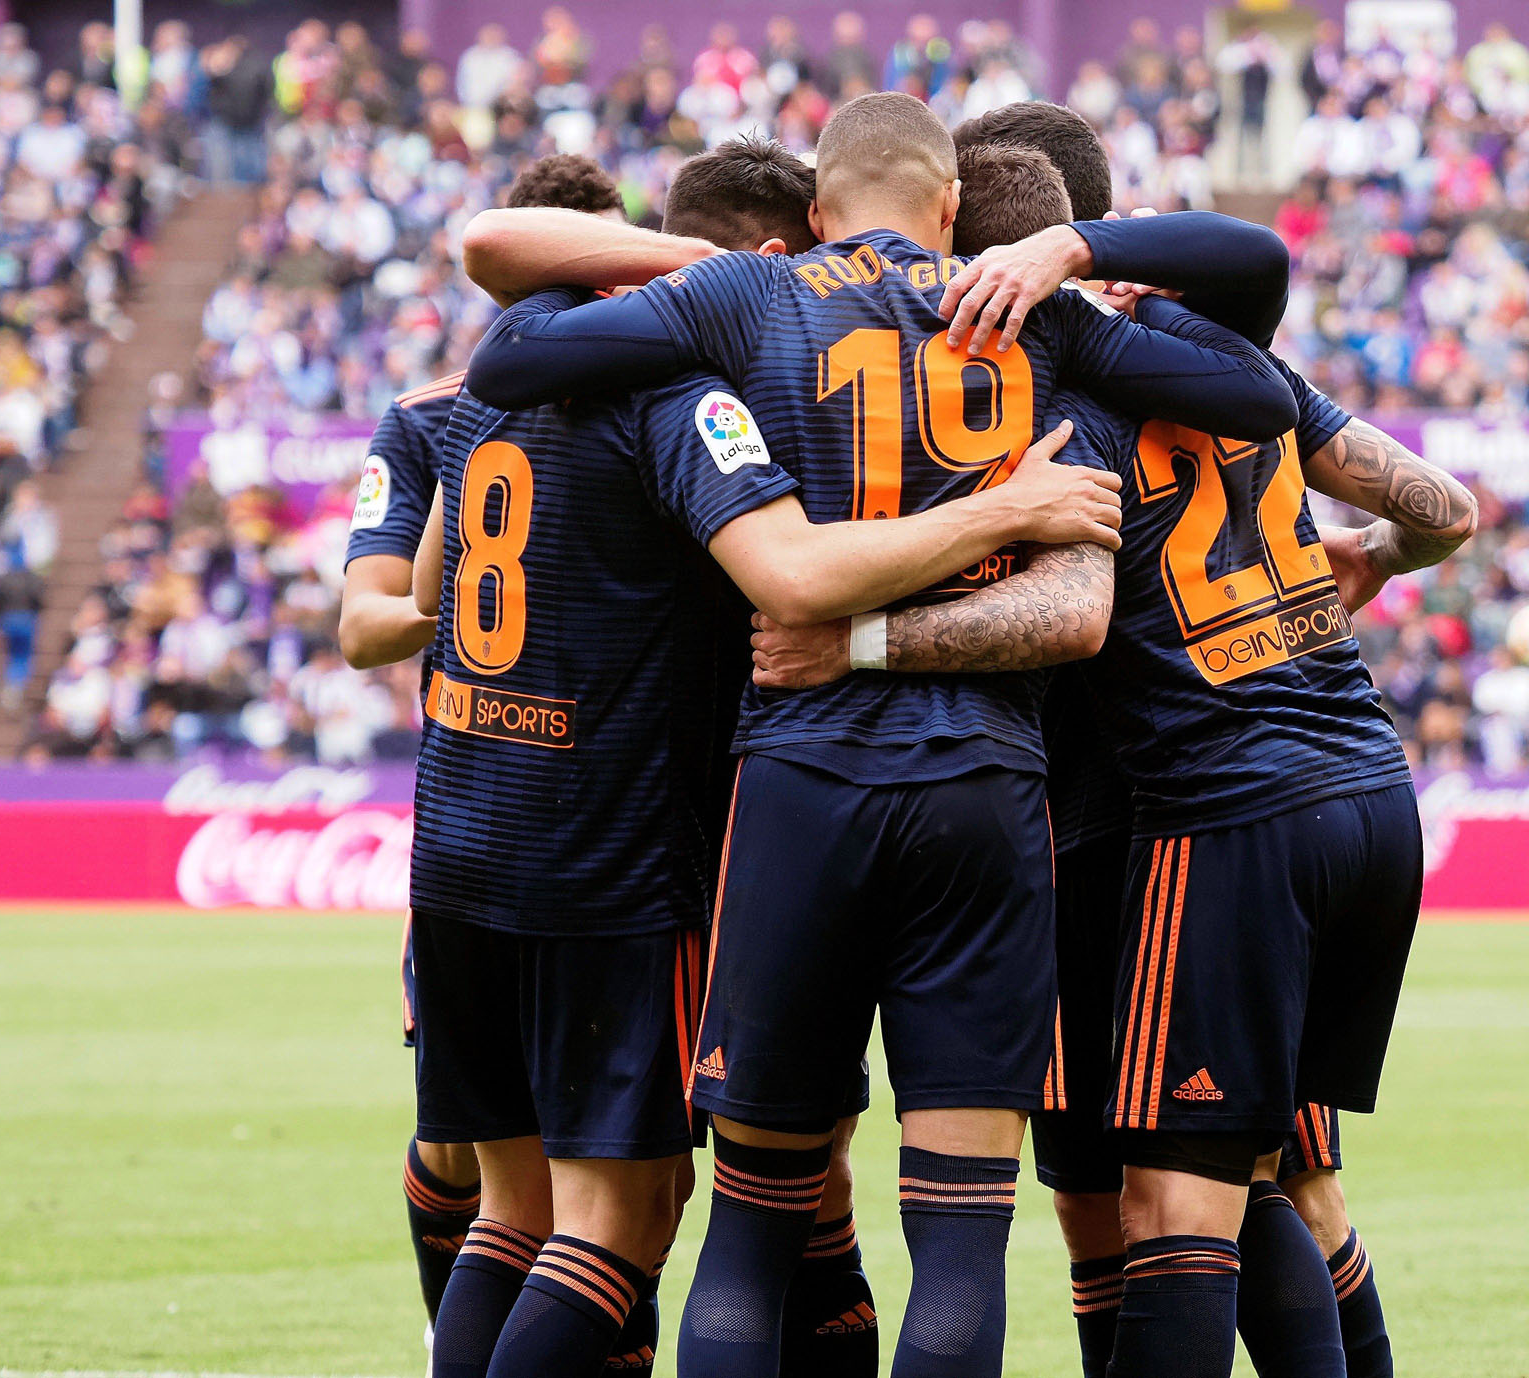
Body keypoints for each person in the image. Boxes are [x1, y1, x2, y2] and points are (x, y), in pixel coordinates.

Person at [456, 92, 1296, 1378]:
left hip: (797, 778)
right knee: (957, 1238)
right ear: (953, 209)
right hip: (986, 787)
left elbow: (507, 360)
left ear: (810, 212)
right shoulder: (1024, 313)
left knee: (750, 1225)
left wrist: (705, 266)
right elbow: (1254, 387)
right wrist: (1077, 253)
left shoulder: (751, 300)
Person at [754, 139, 1478, 1378]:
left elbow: (1067, 617)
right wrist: (1369, 552)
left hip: (1204, 830)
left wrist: (855, 639)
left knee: (1176, 1209)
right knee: (1269, 1181)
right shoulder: (1239, 369)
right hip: (1362, 786)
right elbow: (1447, 509)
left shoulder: (1058, 405)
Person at [337, 154, 636, 1366]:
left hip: (519, 837)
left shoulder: (631, 403)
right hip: (507, 831)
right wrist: (451, 594)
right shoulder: (426, 421)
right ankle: (449, 1328)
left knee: (561, 1183)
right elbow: (363, 627)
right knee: (501, 1168)